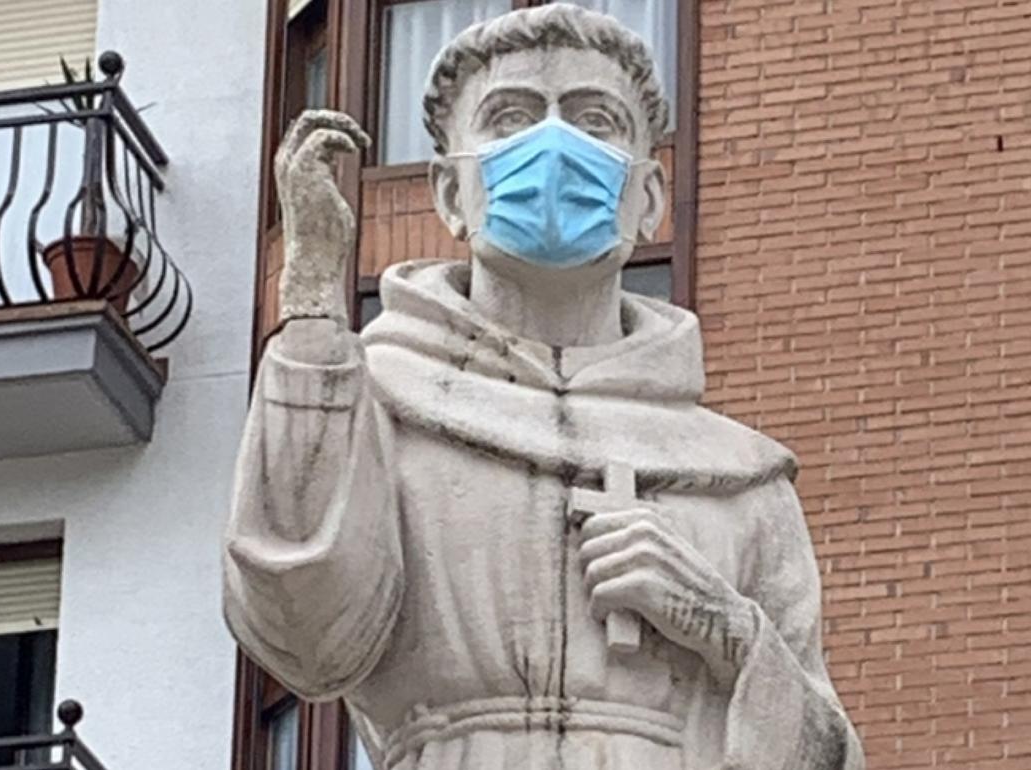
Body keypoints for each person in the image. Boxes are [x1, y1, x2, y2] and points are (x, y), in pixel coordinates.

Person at [224, 5, 864, 769]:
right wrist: (312, 313)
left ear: (649, 197)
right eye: (511, 119)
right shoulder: (377, 402)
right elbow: (305, 640)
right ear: (450, 193)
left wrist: (724, 626)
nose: (555, 146)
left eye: (596, 122)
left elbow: (831, 757)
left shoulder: (740, 477)